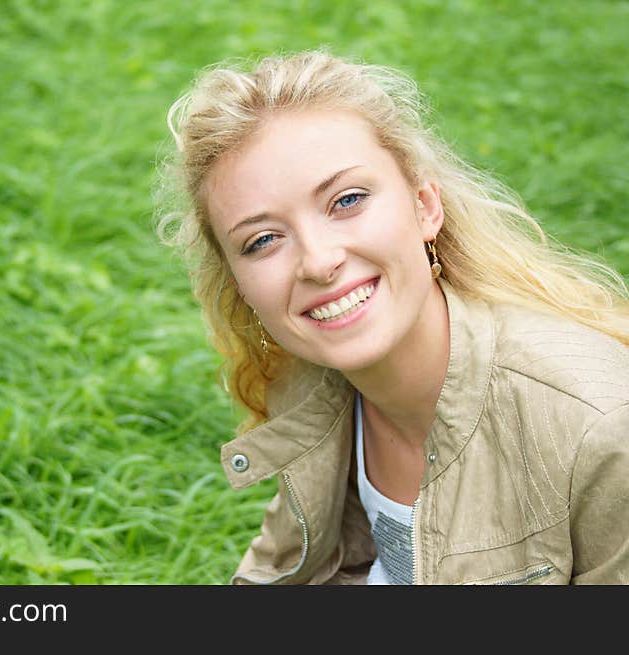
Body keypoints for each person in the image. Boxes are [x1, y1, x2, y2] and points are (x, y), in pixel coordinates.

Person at [156, 50, 629, 584]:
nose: (318, 261)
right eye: (263, 240)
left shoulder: (600, 428)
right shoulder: (311, 385)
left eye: (347, 201)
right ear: (239, 285)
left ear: (425, 205)